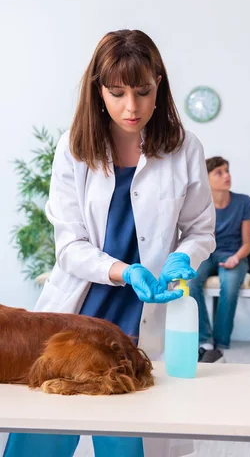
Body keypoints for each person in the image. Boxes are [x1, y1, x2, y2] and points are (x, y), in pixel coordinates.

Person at [4, 29, 215, 457]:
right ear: (98, 91)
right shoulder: (75, 148)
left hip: (144, 320)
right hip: (74, 321)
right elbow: (68, 245)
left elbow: (200, 231)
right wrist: (124, 270)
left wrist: (180, 258)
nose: (131, 107)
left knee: (127, 443)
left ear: (160, 84)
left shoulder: (184, 148)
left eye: (143, 91)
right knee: (39, 444)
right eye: (117, 93)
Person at [189, 156, 250, 363]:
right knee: (191, 282)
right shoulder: (199, 204)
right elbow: (192, 236)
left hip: (233, 255)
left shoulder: (244, 202)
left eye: (227, 171)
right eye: (219, 172)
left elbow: (248, 243)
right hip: (206, 254)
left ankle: (220, 343)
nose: (226, 176)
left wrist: (236, 259)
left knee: (229, 285)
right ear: (206, 178)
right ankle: (205, 341)